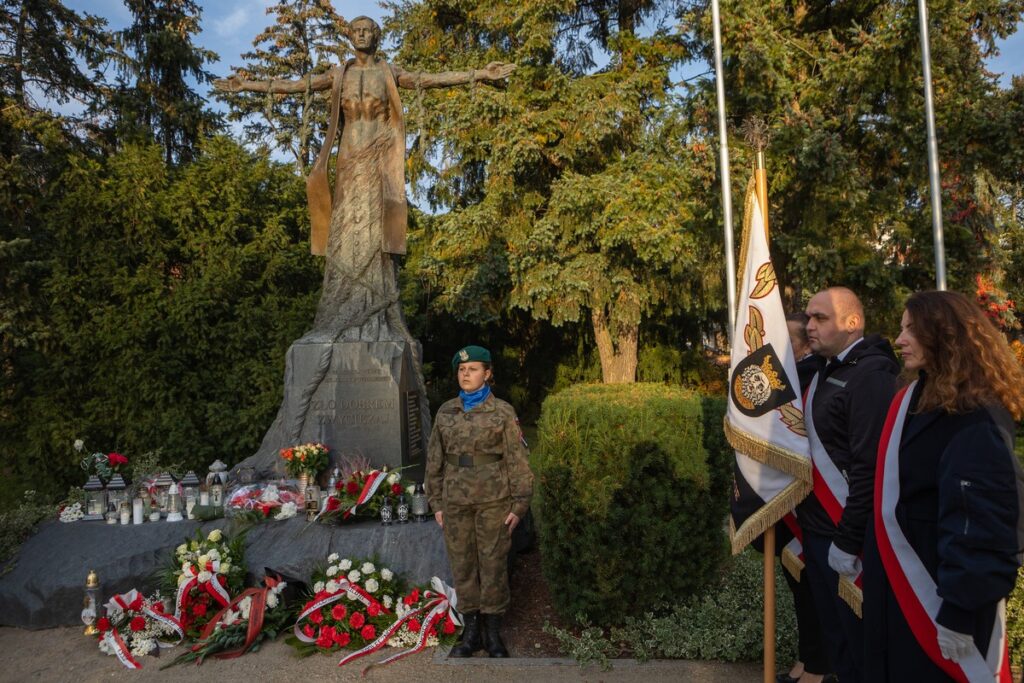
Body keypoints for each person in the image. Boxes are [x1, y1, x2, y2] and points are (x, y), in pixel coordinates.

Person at [863, 290, 1024, 682]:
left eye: (911, 330)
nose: (899, 339)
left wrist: (960, 608)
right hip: (902, 598)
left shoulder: (976, 417)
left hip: (942, 602)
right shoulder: (918, 400)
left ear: (945, 335)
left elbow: (985, 525)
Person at [799, 286, 900, 683]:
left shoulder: (870, 376)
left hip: (849, 536)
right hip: (817, 529)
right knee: (837, 641)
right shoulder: (822, 369)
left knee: (862, 648)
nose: (809, 326)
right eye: (808, 317)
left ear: (852, 322)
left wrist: (847, 539)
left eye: (820, 318)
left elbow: (868, 467)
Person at [425, 345, 534, 658]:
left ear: (487, 374)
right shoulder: (446, 411)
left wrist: (519, 505)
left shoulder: (502, 412)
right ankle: (470, 633)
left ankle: (493, 634)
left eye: (472, 369)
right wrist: (437, 502)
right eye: (461, 370)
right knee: (463, 565)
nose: (465, 374)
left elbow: (517, 460)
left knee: (493, 565)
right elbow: (434, 460)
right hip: (455, 502)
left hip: (494, 502)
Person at [777, 312, 830, 683]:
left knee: (812, 590)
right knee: (802, 590)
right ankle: (809, 659)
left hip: (811, 503)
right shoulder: (792, 377)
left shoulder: (810, 377)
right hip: (790, 500)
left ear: (804, 347)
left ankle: (817, 665)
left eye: (787, 341)